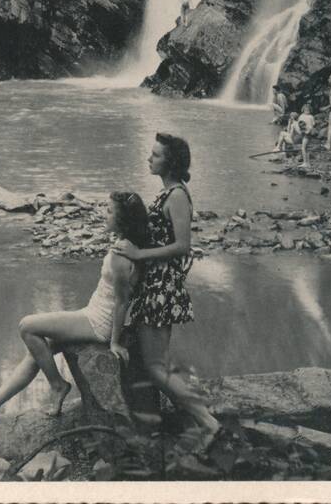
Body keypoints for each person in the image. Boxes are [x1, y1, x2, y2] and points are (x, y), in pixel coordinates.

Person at [0, 191, 148, 425]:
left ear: (123, 220)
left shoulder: (122, 254)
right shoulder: (125, 246)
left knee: (27, 326)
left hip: (99, 322)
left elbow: (122, 301)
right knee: (36, 354)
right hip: (93, 312)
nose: (104, 214)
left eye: (109, 211)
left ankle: (58, 386)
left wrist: (115, 342)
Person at [114, 132, 220, 441]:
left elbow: (183, 246)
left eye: (156, 155)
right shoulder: (169, 192)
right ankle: (198, 421)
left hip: (162, 287)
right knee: (158, 365)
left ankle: (208, 421)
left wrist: (138, 255)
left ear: (170, 162)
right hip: (155, 285)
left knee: (157, 368)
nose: (149, 158)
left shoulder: (176, 195)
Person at [297, 103, 315, 169]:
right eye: (306, 109)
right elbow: (299, 124)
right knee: (306, 148)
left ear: (310, 110)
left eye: (308, 109)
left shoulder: (310, 117)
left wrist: (308, 131)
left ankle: (305, 163)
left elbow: (311, 126)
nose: (307, 111)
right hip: (303, 133)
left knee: (303, 148)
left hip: (308, 134)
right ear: (303, 110)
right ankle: (308, 163)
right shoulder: (301, 116)